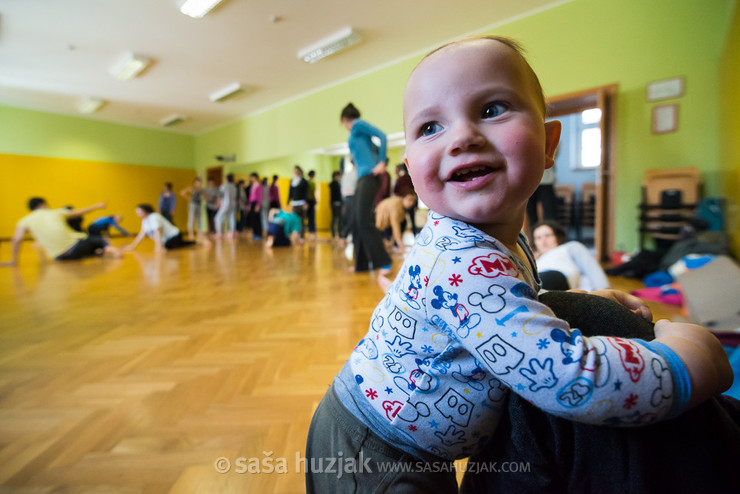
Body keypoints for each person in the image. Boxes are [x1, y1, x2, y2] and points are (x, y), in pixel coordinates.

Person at [305, 35, 732, 492]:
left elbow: (501, 312)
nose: (462, 136)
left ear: (549, 143)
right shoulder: (461, 260)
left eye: (491, 109)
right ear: (410, 170)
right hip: (371, 455)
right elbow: (568, 377)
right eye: (430, 127)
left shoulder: (499, 240)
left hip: (403, 444)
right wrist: (685, 365)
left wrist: (575, 301)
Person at [339, 102, 392, 275]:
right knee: (356, 221)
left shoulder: (357, 124)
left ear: (344, 120)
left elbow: (382, 136)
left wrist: (382, 162)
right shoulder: (356, 132)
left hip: (369, 177)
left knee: (363, 220)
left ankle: (385, 262)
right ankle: (361, 265)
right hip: (362, 179)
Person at [1, 198, 121, 266]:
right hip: (79, 245)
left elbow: (16, 240)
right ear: (42, 205)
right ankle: (108, 249)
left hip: (61, 257)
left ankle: (101, 251)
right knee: (100, 240)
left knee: (89, 251)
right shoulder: (55, 212)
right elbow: (79, 212)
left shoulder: (23, 221)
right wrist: (97, 206)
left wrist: (14, 261)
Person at [533, 220, 609, 291]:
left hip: (556, 278)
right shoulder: (536, 260)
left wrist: (604, 290)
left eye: (547, 235)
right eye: (538, 238)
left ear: (557, 237)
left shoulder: (570, 247)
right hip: (537, 283)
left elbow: (592, 268)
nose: (543, 241)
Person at [121, 204, 205, 252]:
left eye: (139, 211)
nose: (137, 213)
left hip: (175, 235)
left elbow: (157, 231)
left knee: (168, 245)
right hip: (167, 239)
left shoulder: (154, 217)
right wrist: (132, 246)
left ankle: (197, 242)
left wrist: (158, 246)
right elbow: (142, 234)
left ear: (145, 211)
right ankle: (197, 242)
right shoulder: (145, 220)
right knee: (177, 244)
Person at [375, 193, 418, 258]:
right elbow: (396, 229)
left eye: (413, 201)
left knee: (403, 223)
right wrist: (403, 250)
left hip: (385, 217)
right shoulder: (396, 208)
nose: (411, 203)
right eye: (409, 200)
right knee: (385, 236)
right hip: (381, 218)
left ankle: (393, 246)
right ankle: (392, 247)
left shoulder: (400, 204)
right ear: (404, 198)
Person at [393, 162, 418, 235]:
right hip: (412, 203)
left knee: (401, 221)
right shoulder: (411, 178)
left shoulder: (400, 179)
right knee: (413, 221)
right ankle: (415, 237)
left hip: (402, 203)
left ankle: (399, 237)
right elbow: (416, 191)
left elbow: (395, 191)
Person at [288, 165, 309, 239]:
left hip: (302, 203)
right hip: (295, 203)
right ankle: (295, 235)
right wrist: (288, 201)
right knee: (295, 220)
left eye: (297, 170)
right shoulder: (292, 180)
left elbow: (306, 192)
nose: (296, 172)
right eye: (295, 170)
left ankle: (301, 236)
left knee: (302, 221)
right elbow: (290, 192)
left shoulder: (304, 181)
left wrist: (306, 202)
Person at [214, 173, 237, 239]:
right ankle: (232, 232)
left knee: (217, 217)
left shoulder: (224, 186)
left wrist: (218, 204)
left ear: (226, 179)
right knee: (232, 218)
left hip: (226, 203)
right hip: (233, 204)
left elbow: (220, 195)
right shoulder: (234, 186)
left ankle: (219, 233)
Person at [247, 173, 263, 240]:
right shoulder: (252, 186)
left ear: (255, 177)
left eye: (252, 177)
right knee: (252, 219)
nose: (250, 178)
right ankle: (254, 233)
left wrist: (258, 205)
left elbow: (260, 196)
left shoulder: (259, 185)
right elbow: (250, 196)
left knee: (257, 219)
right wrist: (249, 204)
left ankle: (258, 234)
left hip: (257, 203)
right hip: (252, 203)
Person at [329, 171, 343, 241]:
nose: (340, 177)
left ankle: (335, 234)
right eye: (339, 176)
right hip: (336, 204)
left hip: (336, 203)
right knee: (337, 219)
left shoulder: (337, 184)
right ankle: (338, 234)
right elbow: (336, 196)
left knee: (336, 219)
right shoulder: (335, 184)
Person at [306, 170, 318, 240]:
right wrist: (315, 199)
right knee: (312, 216)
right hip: (311, 201)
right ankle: (312, 231)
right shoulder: (312, 182)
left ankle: (310, 230)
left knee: (309, 217)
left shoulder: (307, 182)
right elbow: (313, 192)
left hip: (307, 201)